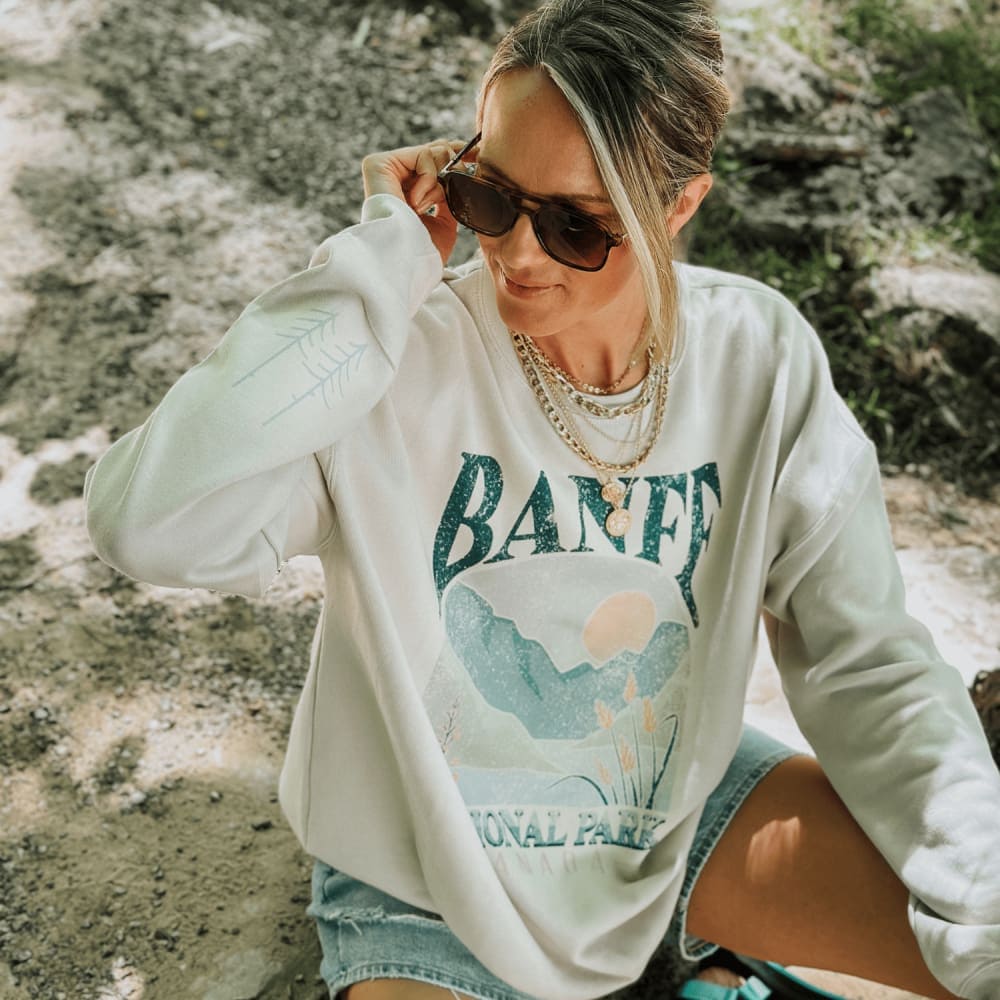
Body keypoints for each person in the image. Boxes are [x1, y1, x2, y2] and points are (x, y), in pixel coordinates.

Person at [84, 1, 1000, 998]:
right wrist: (380, 266)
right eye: (488, 197)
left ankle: (707, 957)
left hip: (667, 819)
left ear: (679, 206)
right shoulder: (393, 361)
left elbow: (866, 660)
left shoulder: (757, 356)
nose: (517, 254)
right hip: (426, 878)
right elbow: (150, 523)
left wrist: (981, 886)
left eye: (576, 225)